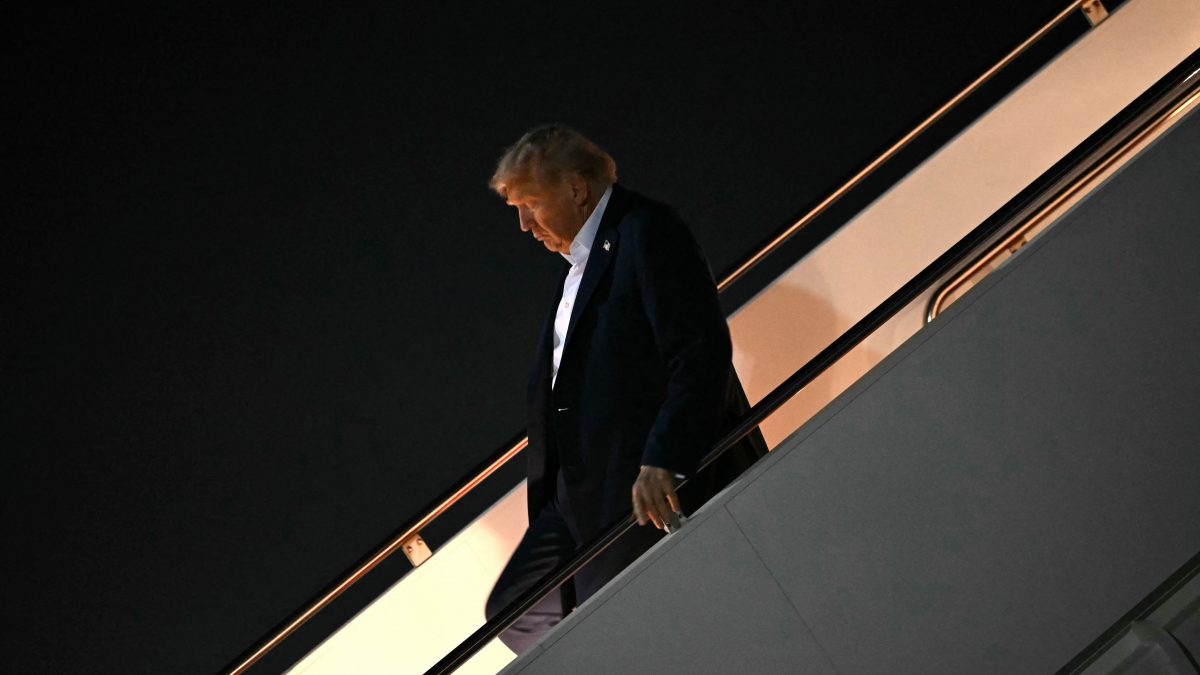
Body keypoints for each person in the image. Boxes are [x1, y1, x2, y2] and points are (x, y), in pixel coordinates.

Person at [483, 125, 767, 654]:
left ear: (574, 189)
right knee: (516, 611)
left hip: (632, 488)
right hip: (576, 501)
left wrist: (665, 458)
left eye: (531, 204)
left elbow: (699, 352)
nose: (523, 225)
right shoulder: (574, 273)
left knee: (641, 634)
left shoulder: (644, 231)